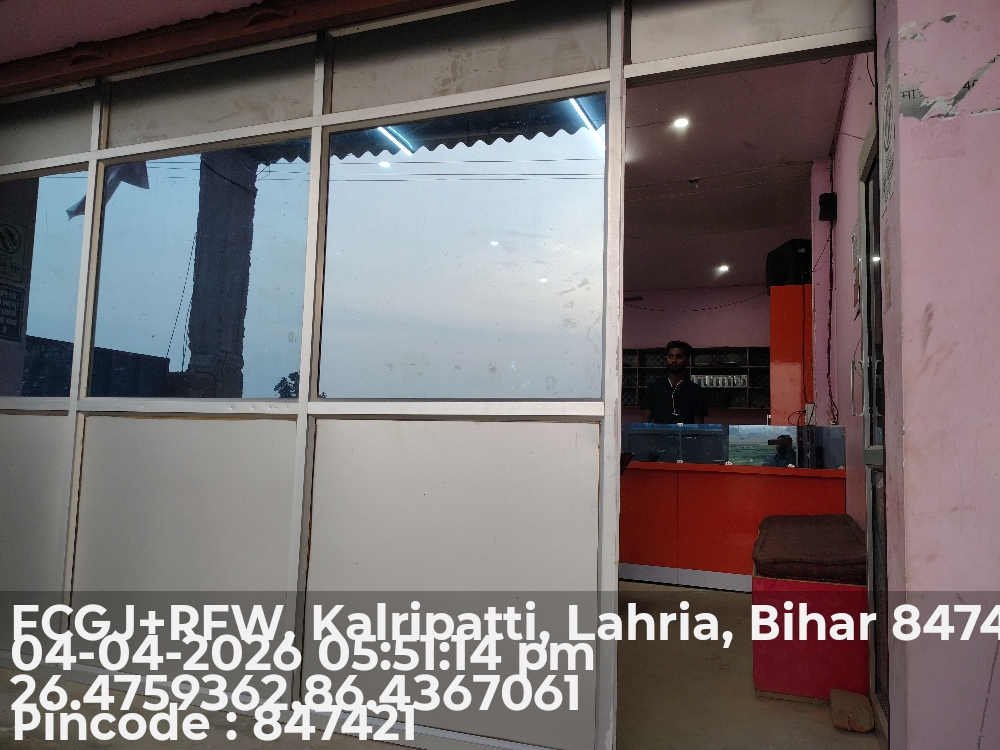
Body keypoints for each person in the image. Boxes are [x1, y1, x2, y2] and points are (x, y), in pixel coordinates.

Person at [640, 340, 708, 424]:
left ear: (687, 361)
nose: (674, 360)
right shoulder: (653, 388)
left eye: (679, 357)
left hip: (686, 433)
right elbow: (646, 422)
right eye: (670, 356)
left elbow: (698, 425)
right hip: (660, 433)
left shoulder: (696, 391)